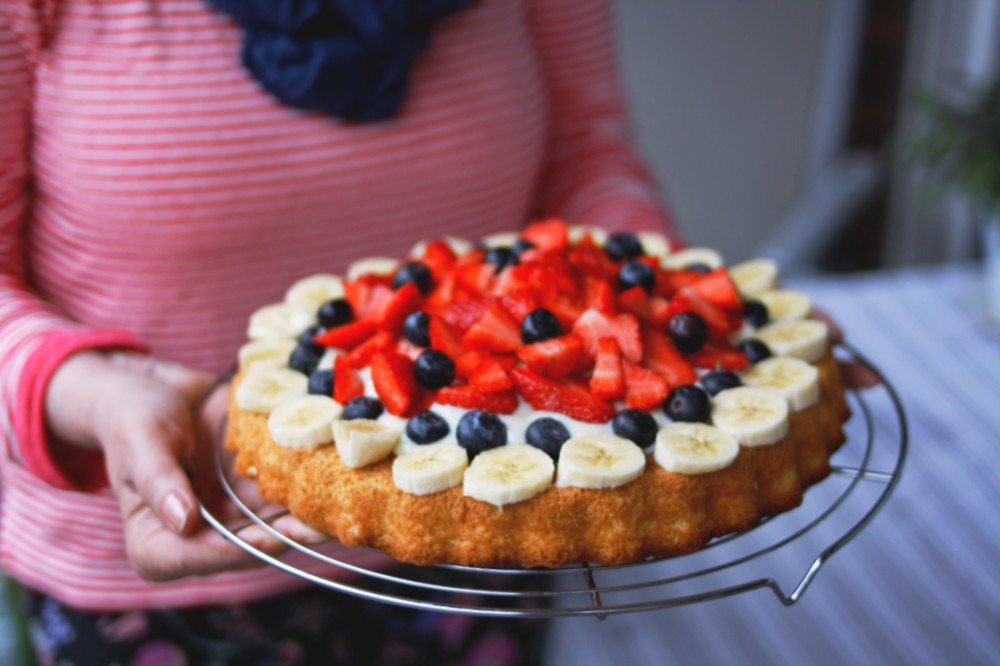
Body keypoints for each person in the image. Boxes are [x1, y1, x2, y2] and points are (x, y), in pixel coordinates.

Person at [0, 0, 681, 663]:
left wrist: (655, 309)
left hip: (487, 527)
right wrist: (93, 392)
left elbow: (586, 158)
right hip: (162, 583)